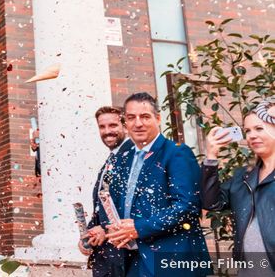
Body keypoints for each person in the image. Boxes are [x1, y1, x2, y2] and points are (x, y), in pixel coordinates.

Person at [104, 92, 210, 276]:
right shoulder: (124, 158)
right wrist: (111, 226)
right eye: (131, 118)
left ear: (158, 118)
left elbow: (188, 207)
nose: (138, 123)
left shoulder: (177, 153)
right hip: (133, 259)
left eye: (145, 117)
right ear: (125, 122)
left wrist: (139, 228)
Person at [201, 99, 275, 274]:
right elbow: (212, 204)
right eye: (247, 131)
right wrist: (211, 157)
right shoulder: (243, 176)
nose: (251, 136)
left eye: (259, 128)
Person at [79, 105, 132, 276]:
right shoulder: (109, 161)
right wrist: (88, 235)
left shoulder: (134, 157)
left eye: (113, 125)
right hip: (105, 258)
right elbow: (101, 206)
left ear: (125, 126)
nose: (107, 131)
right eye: (102, 127)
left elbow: (134, 206)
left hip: (127, 256)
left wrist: (106, 231)